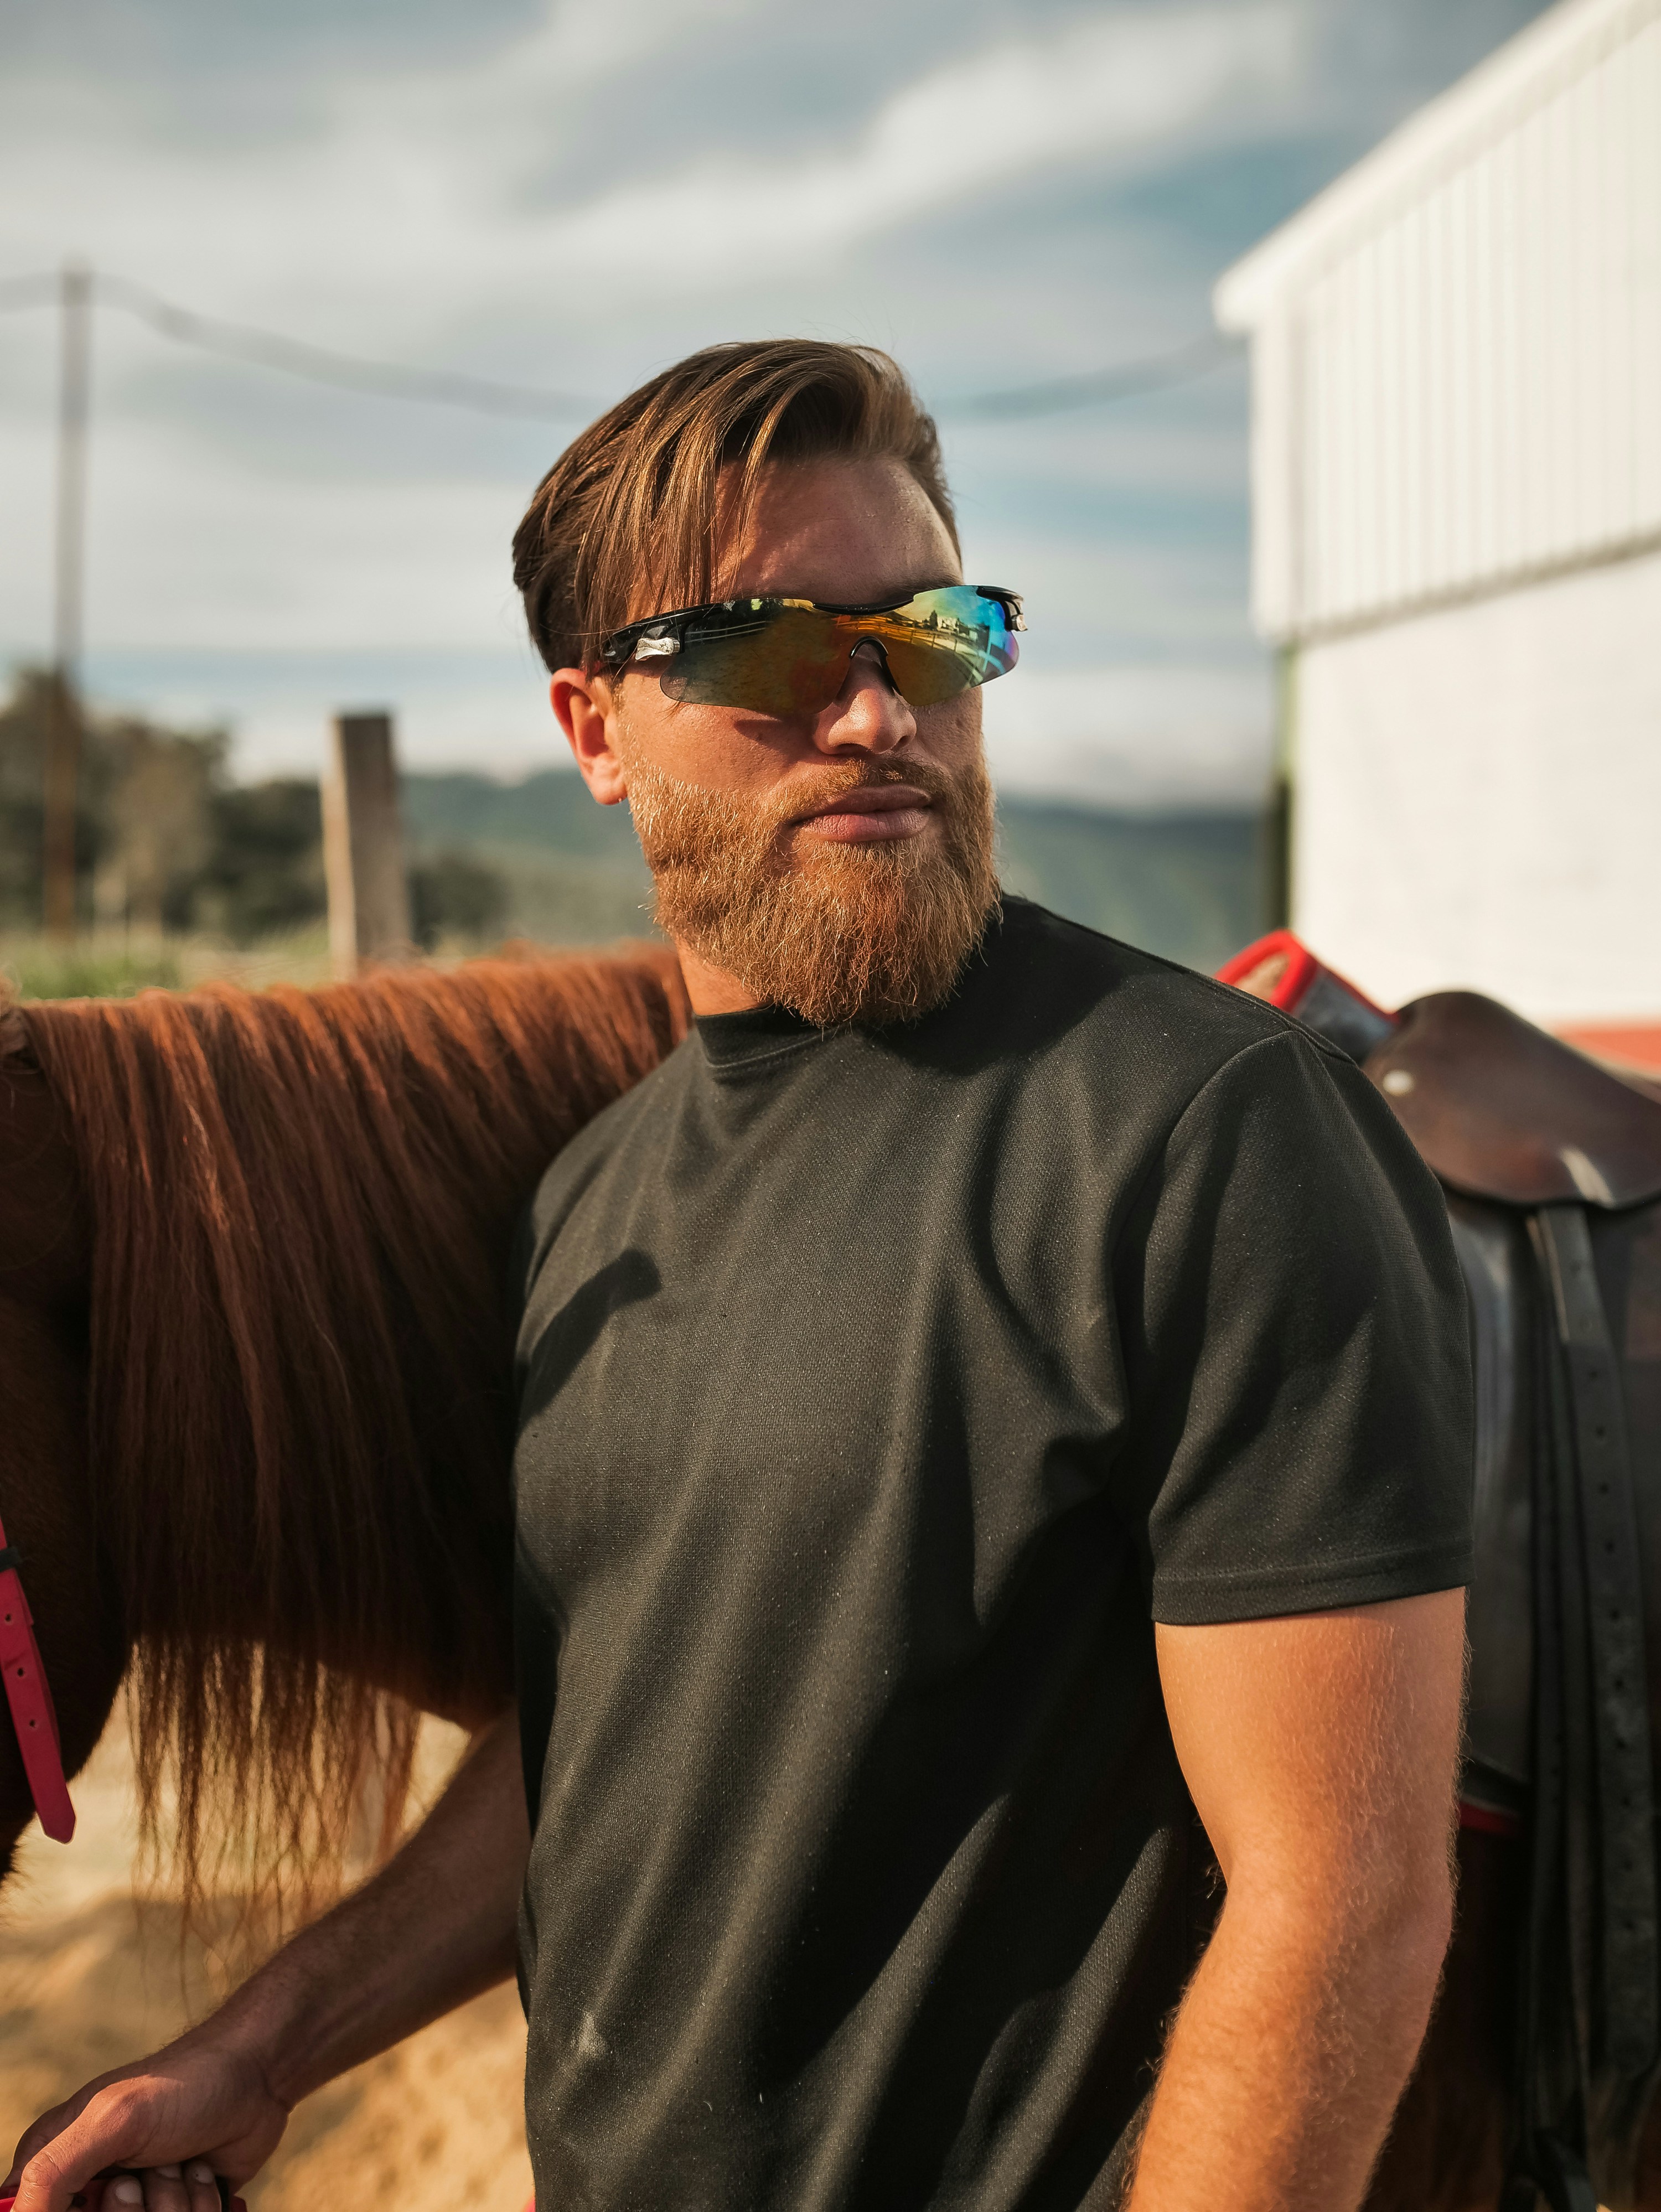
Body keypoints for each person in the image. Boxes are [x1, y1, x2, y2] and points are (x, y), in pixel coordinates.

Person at [7, 341, 1472, 2212]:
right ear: (593, 731)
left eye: (930, 635)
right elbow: (614, 1742)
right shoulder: (591, 1205)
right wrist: (254, 2050)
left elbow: (1339, 1900)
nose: (876, 715)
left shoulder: (1199, 1136)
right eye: (770, 651)